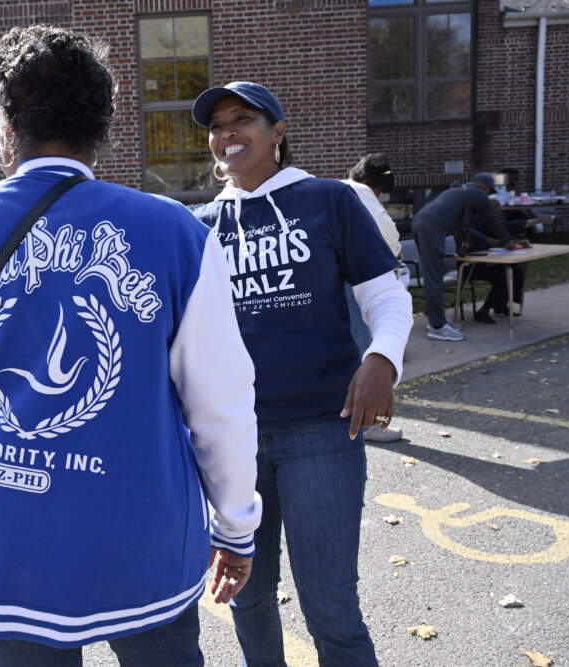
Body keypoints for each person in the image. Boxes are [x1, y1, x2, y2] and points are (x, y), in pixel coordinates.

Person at [0, 27, 262, 667]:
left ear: (3, 127)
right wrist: (235, 524)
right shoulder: (175, 232)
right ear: (103, 128)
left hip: (4, 537)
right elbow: (220, 403)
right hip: (139, 535)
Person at [189, 81, 413, 666]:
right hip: (232, 442)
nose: (226, 133)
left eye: (243, 119)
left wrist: (381, 359)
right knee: (246, 598)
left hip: (320, 431)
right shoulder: (202, 224)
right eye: (216, 126)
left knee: (331, 609)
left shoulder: (329, 201)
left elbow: (387, 299)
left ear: (278, 132)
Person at [342, 153, 408, 443]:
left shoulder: (336, 188)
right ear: (373, 183)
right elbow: (390, 237)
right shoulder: (359, 193)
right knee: (366, 353)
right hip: (353, 283)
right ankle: (369, 424)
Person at [410, 172, 516, 341]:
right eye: (489, 192)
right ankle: (437, 326)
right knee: (434, 276)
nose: (488, 196)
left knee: (433, 275)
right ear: (486, 187)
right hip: (430, 228)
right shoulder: (477, 194)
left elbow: (464, 229)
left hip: (423, 224)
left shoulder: (460, 193)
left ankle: (439, 321)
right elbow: (491, 220)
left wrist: (490, 241)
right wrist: (507, 240)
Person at [468, 198, 527, 324]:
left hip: (487, 262)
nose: (500, 211)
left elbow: (503, 235)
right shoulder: (481, 223)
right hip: (472, 266)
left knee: (517, 273)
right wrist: (535, 221)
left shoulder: (492, 222)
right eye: (497, 208)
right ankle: (484, 310)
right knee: (504, 276)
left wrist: (515, 241)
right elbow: (503, 230)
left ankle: (500, 305)